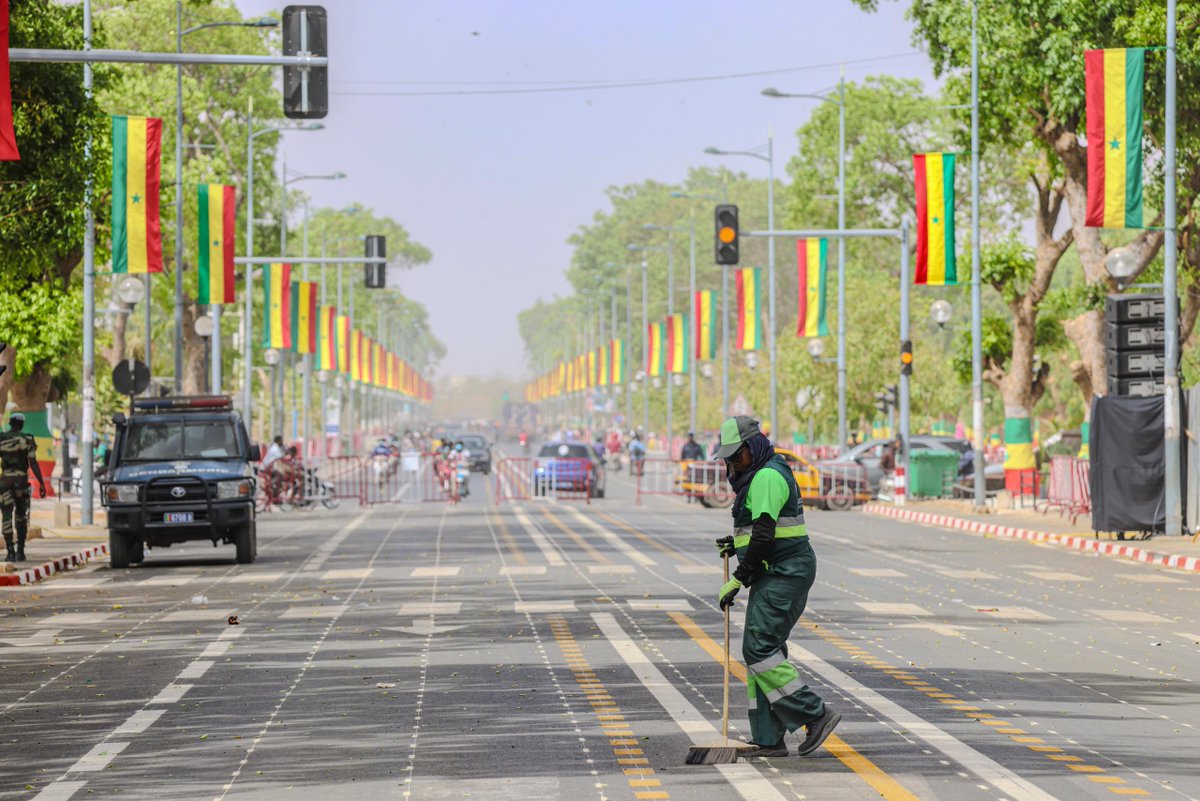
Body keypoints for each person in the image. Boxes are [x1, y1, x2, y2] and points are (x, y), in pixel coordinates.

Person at [712, 415, 839, 758]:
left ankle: (815, 714)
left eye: (736, 456)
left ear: (754, 448)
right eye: (727, 458)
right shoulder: (763, 474)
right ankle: (768, 737)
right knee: (763, 650)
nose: (732, 464)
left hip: (784, 571)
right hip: (775, 570)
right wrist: (736, 542)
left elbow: (766, 534)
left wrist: (737, 578)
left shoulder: (767, 476)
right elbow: (760, 530)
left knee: (758, 649)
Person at [0, 413, 47, 562]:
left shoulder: (2, 438)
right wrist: (42, 483)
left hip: (5, 481)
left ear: (10, 423)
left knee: (6, 515)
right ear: (21, 424)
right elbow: (33, 463)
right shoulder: (27, 439)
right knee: (21, 515)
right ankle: (20, 551)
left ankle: (10, 552)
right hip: (21, 481)